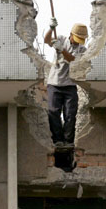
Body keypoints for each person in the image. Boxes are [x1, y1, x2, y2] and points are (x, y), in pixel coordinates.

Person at [44, 18, 88, 149]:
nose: (78, 42)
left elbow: (72, 60)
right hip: (54, 83)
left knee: (70, 114)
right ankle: (58, 140)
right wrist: (51, 28)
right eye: (77, 38)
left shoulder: (82, 50)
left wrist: (62, 50)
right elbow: (47, 41)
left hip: (70, 86)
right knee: (53, 111)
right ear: (71, 35)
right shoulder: (61, 39)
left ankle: (68, 141)